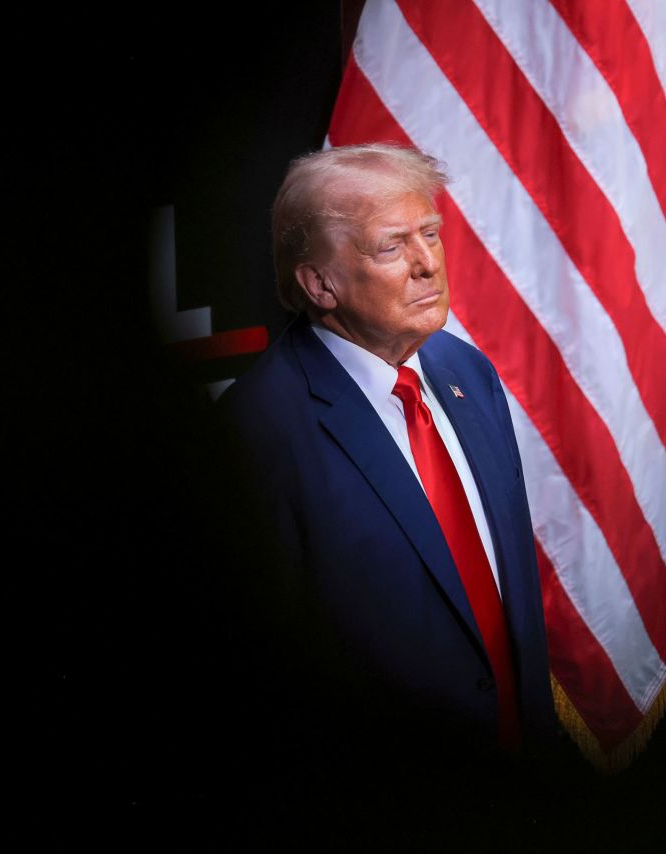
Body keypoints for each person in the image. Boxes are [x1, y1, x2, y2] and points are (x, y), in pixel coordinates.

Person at [219, 143, 558, 767]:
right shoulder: (259, 429)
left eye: (430, 233)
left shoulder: (466, 371)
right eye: (392, 246)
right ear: (320, 283)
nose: (428, 263)